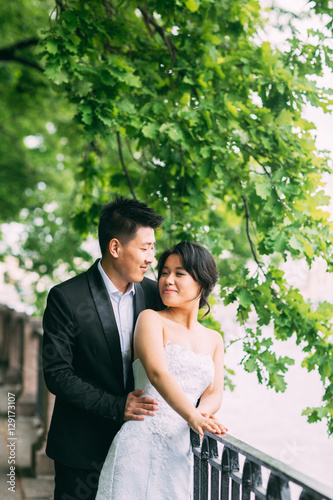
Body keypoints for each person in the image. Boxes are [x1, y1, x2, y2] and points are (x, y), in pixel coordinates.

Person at [42, 196, 164, 500]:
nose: (152, 257)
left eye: (153, 247)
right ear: (115, 247)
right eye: (145, 247)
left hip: (140, 449)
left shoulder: (155, 294)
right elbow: (57, 374)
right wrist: (116, 406)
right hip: (81, 451)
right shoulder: (66, 298)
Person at [96, 241, 228, 500]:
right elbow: (158, 374)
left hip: (181, 450)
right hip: (140, 443)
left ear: (202, 282)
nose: (168, 280)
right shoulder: (151, 319)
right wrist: (192, 416)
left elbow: (215, 392)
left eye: (179, 274)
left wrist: (201, 416)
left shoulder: (214, 339)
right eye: (165, 272)